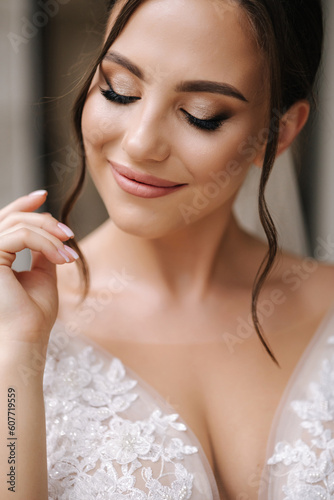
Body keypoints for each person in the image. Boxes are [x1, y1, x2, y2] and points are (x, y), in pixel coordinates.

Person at [0, 0, 332, 498]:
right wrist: (17, 360)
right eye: (120, 90)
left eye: (202, 115)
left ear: (278, 132)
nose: (140, 143)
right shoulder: (15, 321)